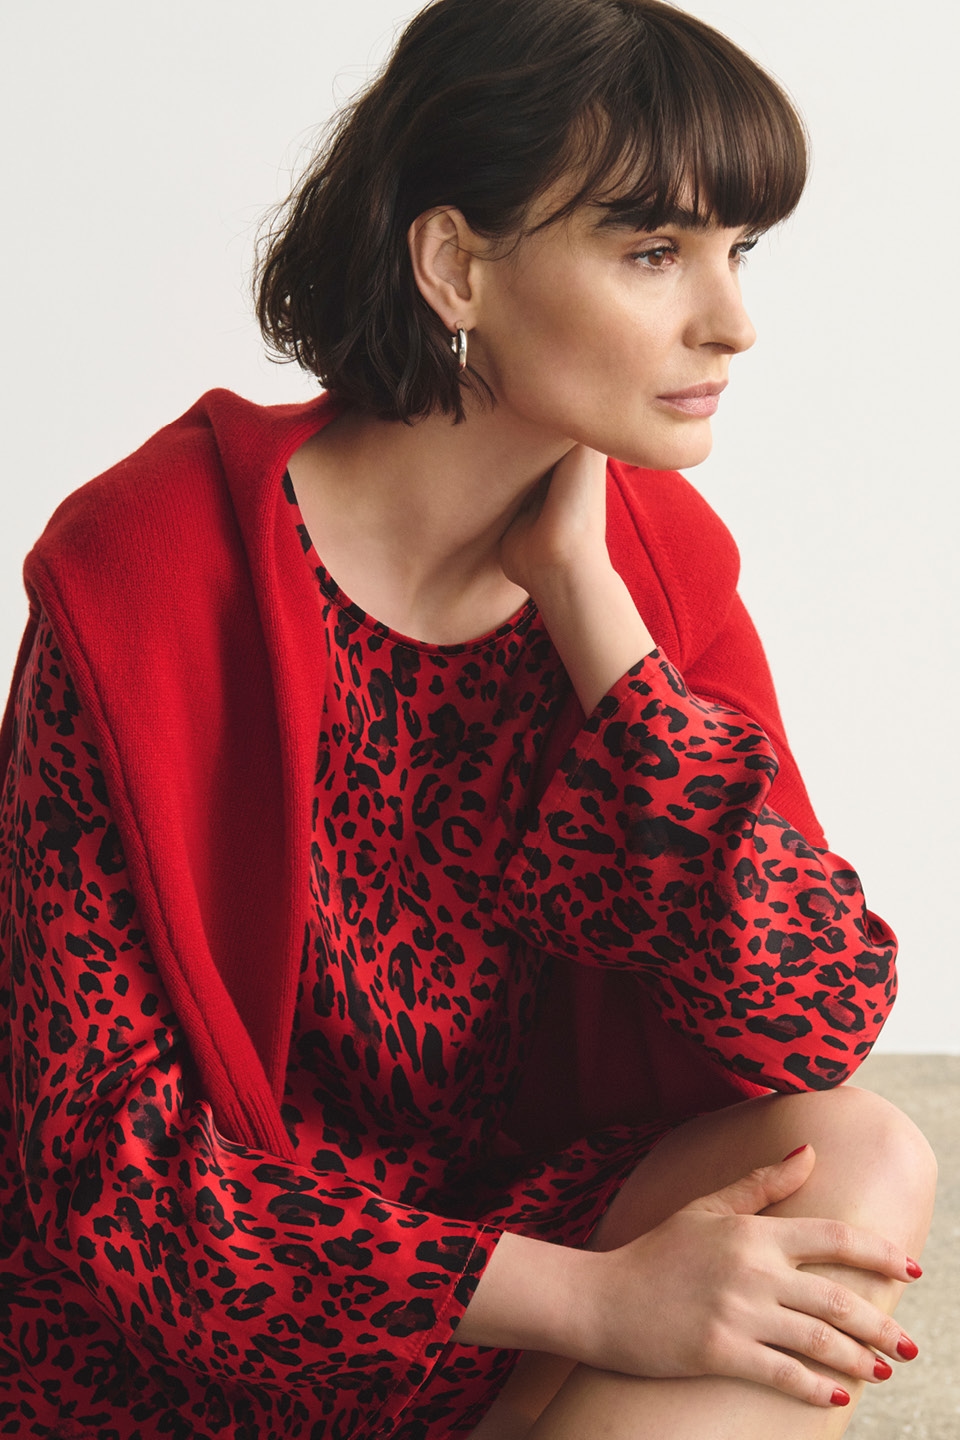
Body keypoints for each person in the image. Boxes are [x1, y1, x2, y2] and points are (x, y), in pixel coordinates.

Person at [0, 0, 937, 1436]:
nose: (732, 321)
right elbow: (96, 1174)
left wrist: (592, 616)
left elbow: (812, 1017)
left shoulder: (651, 560)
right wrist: (599, 1302)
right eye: (652, 253)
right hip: (207, 1327)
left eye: (736, 251)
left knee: (856, 1159)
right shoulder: (150, 565)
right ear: (454, 266)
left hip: (508, 1253)